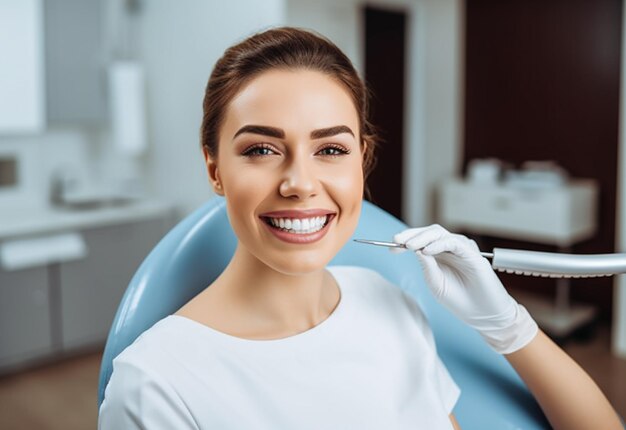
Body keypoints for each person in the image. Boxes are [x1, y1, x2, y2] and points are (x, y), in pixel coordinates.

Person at [98, 27, 622, 429]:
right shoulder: (155, 384)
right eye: (261, 149)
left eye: (330, 150)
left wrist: (508, 324)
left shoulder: (388, 302)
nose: (300, 183)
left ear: (362, 162)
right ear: (215, 168)